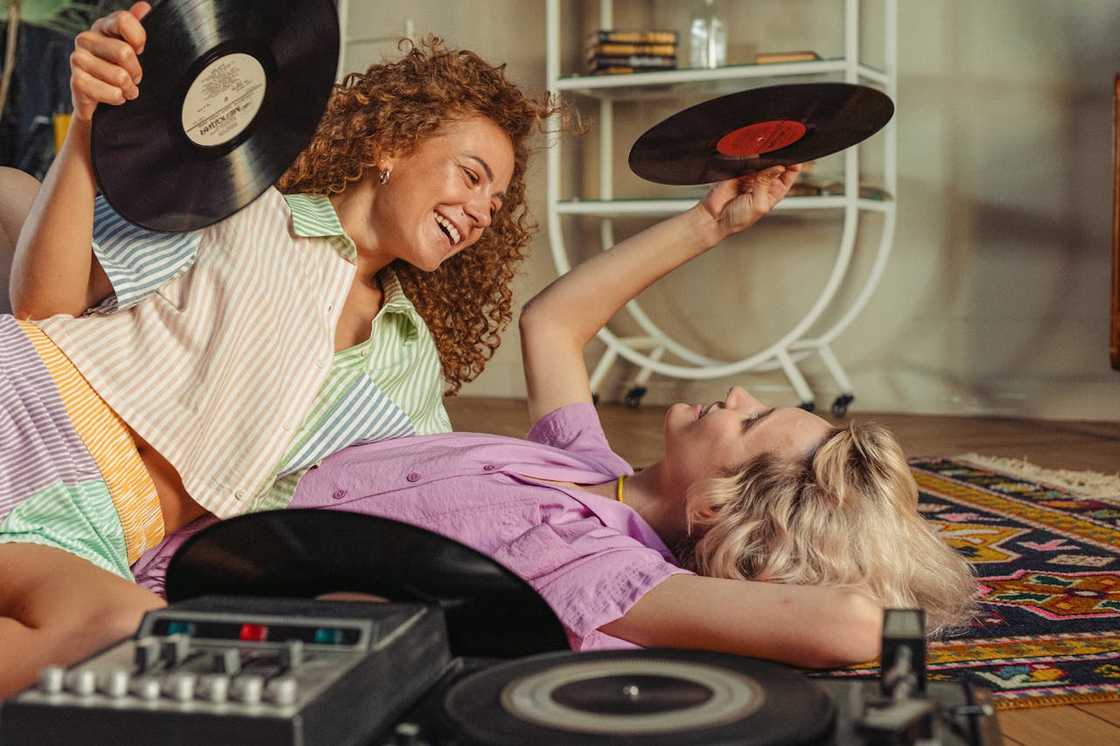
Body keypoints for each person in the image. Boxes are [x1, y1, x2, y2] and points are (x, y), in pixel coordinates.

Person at [134, 165, 978, 667]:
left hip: (179, 552)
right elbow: (554, 322)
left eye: (751, 426)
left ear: (719, 507)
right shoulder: (584, 464)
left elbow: (853, 622)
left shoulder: (609, 569)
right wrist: (705, 223)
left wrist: (854, 539)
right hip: (224, 462)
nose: (739, 394)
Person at [0, 2, 555, 696]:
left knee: (129, 631)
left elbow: (447, 499)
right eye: (471, 175)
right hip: (29, 406)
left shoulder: (409, 365)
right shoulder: (239, 203)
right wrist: (88, 125)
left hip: (101, 523)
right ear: (390, 144)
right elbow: (44, 308)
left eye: (496, 204)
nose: (481, 210)